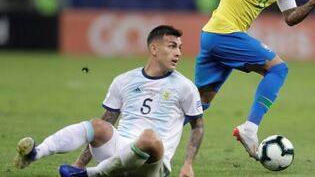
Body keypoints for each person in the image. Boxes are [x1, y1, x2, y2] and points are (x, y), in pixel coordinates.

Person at [152, 0, 315, 160]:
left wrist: (313, 3)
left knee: (200, 102)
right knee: (278, 68)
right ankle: (250, 128)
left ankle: (149, 138)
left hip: (213, 37)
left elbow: (290, 17)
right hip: (223, 33)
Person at [13, 25, 204, 177]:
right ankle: (35, 154)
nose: (178, 53)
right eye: (172, 46)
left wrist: (187, 164)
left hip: (153, 165)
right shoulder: (124, 80)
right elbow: (107, 121)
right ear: (154, 49)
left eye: (179, 47)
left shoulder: (185, 87)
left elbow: (198, 126)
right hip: (119, 152)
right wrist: (79, 162)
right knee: (97, 124)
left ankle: (92, 174)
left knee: (149, 137)